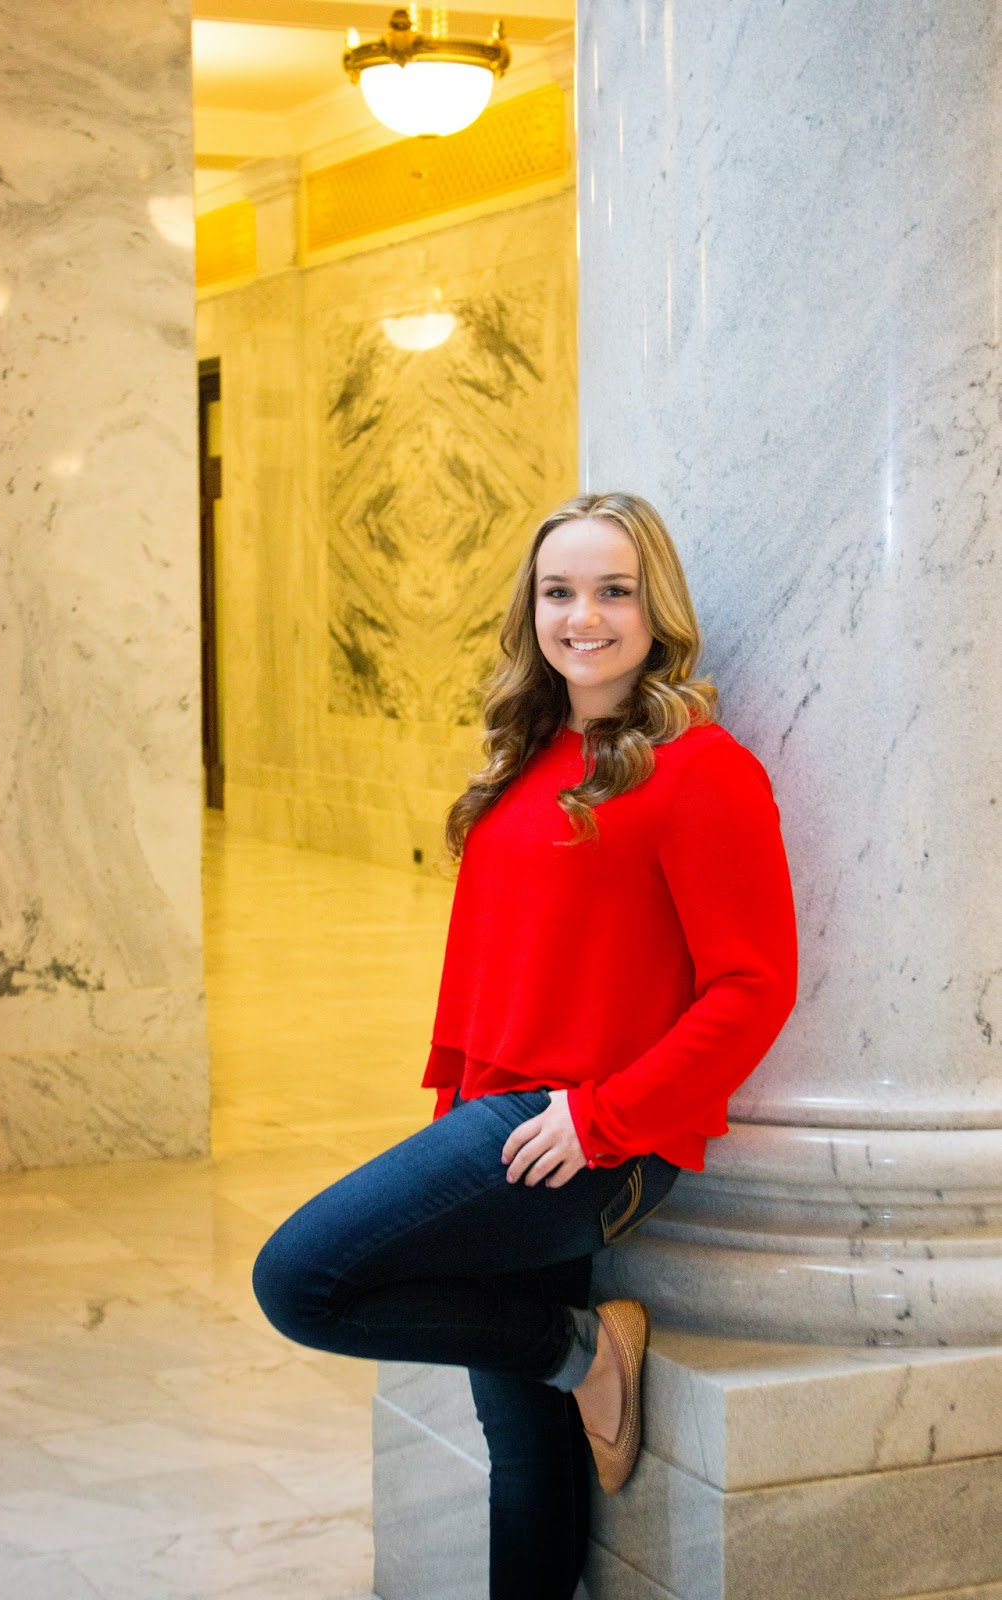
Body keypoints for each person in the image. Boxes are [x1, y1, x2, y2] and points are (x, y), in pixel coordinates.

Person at [252, 490, 799, 1599]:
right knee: (525, 1447)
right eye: (559, 592)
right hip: (495, 1127)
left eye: (614, 591)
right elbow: (490, 970)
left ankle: (584, 1350)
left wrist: (600, 1120)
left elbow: (754, 988)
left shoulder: (702, 768)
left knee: (298, 1281)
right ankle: (575, 1361)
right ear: (530, 609)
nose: (582, 617)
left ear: (656, 609)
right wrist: (449, 1124)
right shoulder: (530, 754)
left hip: (587, 1138)